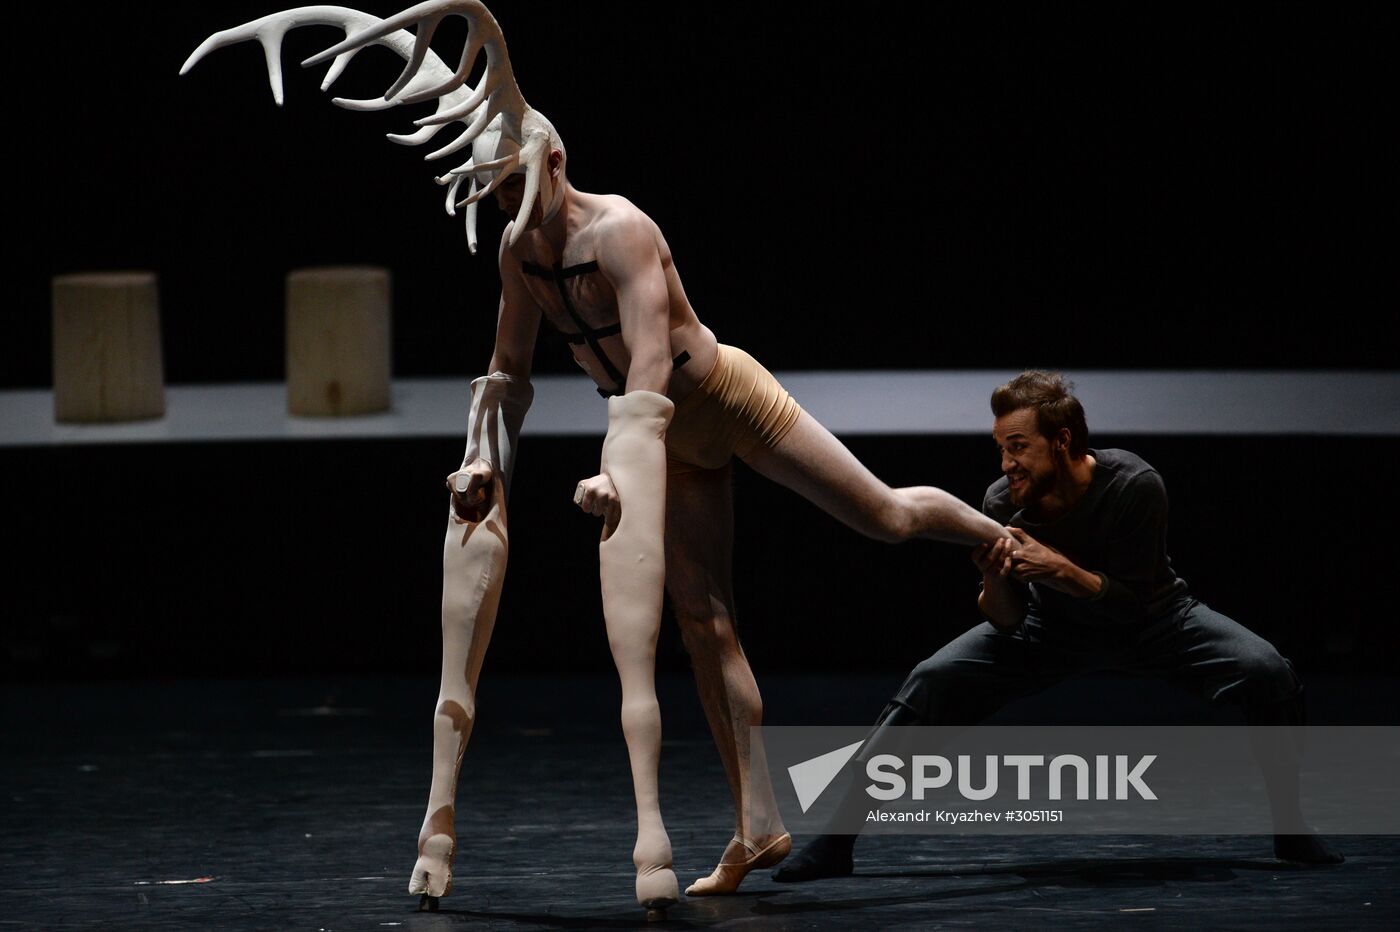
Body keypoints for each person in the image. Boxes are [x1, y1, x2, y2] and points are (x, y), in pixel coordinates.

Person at [182, 1, 1015, 916]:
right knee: (706, 625)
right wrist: (483, 463)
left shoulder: (621, 232)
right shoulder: (518, 253)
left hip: (721, 400)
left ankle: (995, 537)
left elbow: (651, 371)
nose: (510, 206)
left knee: (887, 516)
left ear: (555, 162)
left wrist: (622, 470)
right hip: (660, 441)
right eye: (495, 193)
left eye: (514, 185)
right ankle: (757, 821)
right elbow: (507, 371)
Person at [774, 370, 1344, 883]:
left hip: (1155, 620)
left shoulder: (1133, 485)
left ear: (1062, 441)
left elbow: (1132, 604)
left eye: (1017, 447)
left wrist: (1061, 569)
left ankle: (1290, 824)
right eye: (1000, 447)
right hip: (1052, 629)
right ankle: (836, 842)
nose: (1005, 465)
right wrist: (996, 583)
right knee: (930, 679)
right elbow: (1009, 618)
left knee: (1267, 671)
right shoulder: (1004, 500)